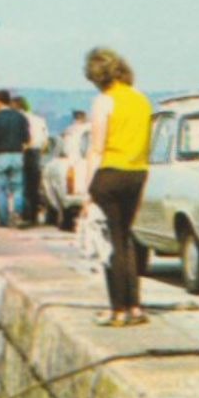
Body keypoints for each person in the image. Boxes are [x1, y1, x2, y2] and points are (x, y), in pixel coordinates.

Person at [82, 47, 154, 326]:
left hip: (109, 175)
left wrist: (88, 191)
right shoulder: (142, 100)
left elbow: (96, 148)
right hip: (137, 173)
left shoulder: (104, 101)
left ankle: (118, 309)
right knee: (125, 238)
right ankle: (135, 306)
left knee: (110, 242)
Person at [0, 90, 29, 227]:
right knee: (18, 188)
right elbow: (26, 140)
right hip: (17, 155)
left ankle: (3, 220)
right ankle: (18, 216)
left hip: (0, 155)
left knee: (0, 189)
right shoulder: (21, 117)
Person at [14, 96, 49, 225]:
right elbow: (46, 142)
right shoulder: (40, 120)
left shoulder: (19, 119)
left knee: (22, 184)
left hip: (23, 151)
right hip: (37, 153)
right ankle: (33, 215)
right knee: (34, 186)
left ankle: (25, 214)